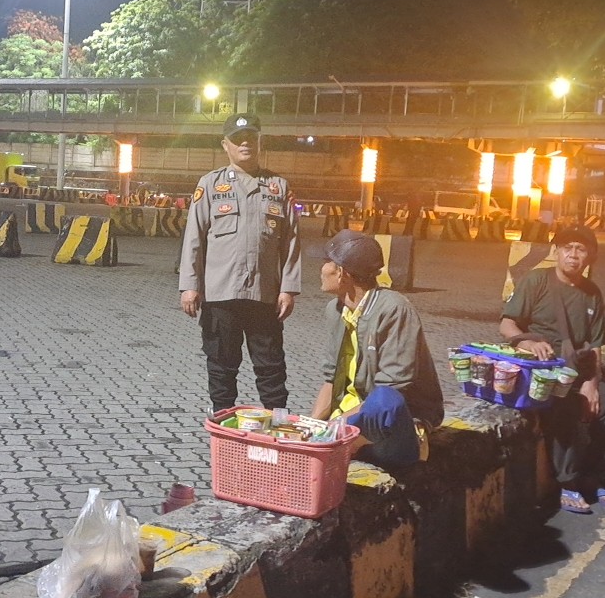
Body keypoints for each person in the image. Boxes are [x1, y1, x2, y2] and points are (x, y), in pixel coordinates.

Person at [498, 225, 605, 514]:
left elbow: (595, 346)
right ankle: (567, 482)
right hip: (542, 373)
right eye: (567, 248)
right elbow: (507, 325)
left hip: (575, 372)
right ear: (556, 252)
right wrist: (529, 342)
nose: (573, 255)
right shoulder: (536, 281)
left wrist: (592, 384)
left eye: (580, 249)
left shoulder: (592, 293)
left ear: (590, 256)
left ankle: (598, 477)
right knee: (566, 406)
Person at [179, 113, 302, 413]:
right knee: (221, 368)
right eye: (237, 139)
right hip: (220, 295)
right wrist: (189, 286)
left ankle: (278, 427)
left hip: (265, 295)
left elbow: (291, 241)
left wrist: (288, 289)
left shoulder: (278, 187)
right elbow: (194, 238)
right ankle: (222, 427)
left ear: (260, 141)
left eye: (251, 137)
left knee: (272, 369)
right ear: (226, 145)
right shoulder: (210, 184)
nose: (245, 143)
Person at [311, 231, 445, 471]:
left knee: (384, 400)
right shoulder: (335, 310)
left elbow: (393, 388)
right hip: (349, 421)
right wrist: (310, 428)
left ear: (342, 273)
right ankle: (346, 444)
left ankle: (361, 445)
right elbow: (331, 378)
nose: (321, 270)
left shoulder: (394, 309)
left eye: (326, 262)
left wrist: (338, 425)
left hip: (389, 426)